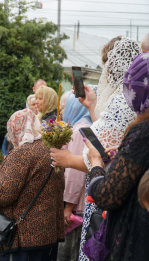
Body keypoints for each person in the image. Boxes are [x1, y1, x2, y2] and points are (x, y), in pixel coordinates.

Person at [49, 37, 142, 260]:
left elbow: (100, 157)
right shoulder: (133, 101)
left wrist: (68, 160)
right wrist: (92, 106)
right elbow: (107, 142)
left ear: (112, 68)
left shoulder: (121, 102)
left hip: (107, 194)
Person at [83, 51, 149, 261]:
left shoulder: (142, 132)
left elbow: (108, 196)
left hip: (138, 238)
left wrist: (96, 164)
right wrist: (123, 155)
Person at [0, 108, 64, 260]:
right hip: (49, 232)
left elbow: (3, 194)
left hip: (24, 236)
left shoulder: (21, 153)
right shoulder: (53, 149)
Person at [57, 93, 92, 261]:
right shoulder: (87, 125)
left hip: (77, 206)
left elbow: (75, 173)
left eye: (65, 106)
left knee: (71, 252)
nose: (63, 111)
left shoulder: (79, 130)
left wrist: (68, 207)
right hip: (83, 202)